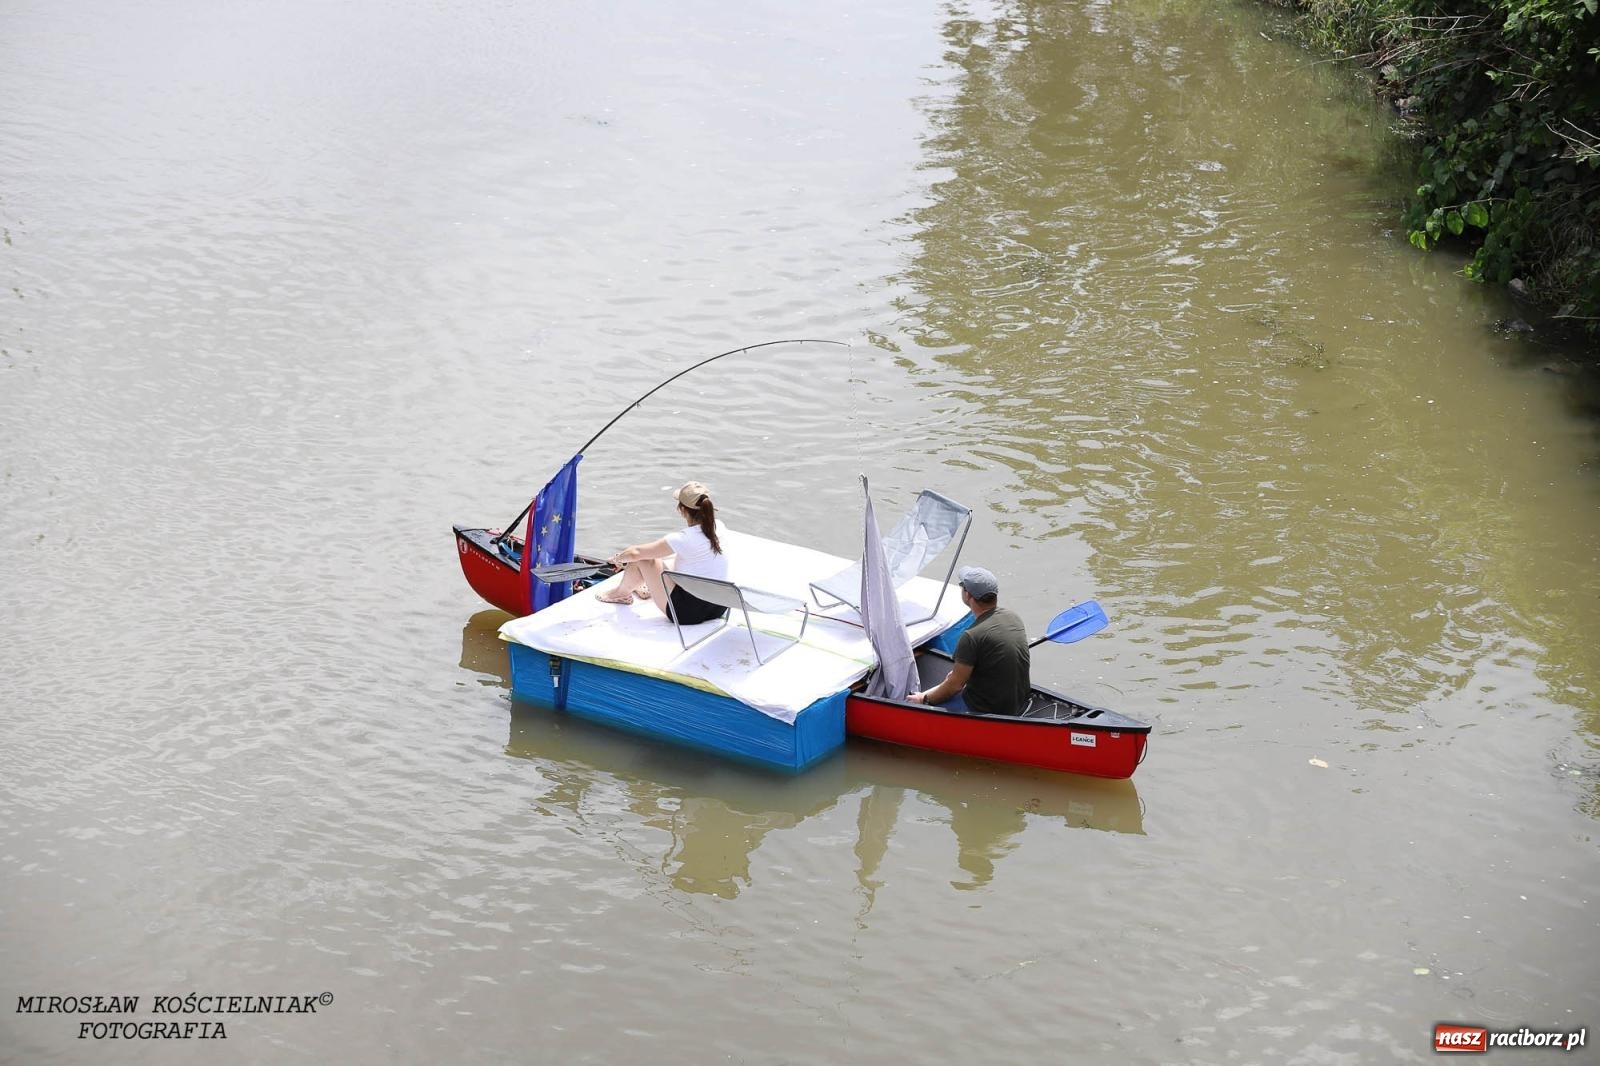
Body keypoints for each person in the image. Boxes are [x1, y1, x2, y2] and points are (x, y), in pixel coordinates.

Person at [598, 481, 730, 625]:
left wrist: (618, 558)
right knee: (676, 558)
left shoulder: (683, 538)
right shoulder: (719, 526)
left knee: (644, 559)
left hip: (687, 613)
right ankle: (643, 585)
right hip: (718, 606)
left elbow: (635, 553)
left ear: (683, 510)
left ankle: (621, 594)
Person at [907, 566, 1030, 715]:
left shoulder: (971, 636)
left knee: (923, 704)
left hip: (986, 708)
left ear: (968, 595)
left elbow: (954, 686)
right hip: (1019, 701)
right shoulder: (1013, 617)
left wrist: (923, 699)